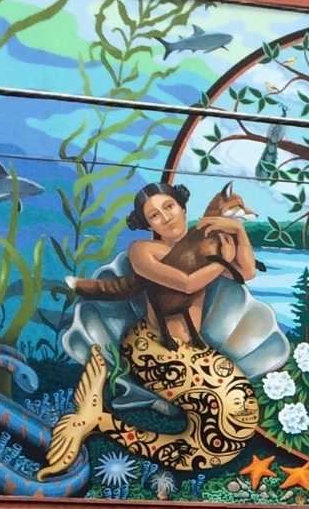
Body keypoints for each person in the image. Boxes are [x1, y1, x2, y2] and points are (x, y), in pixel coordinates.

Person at [39, 182, 262, 479]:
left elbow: (247, 272)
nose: (166, 218)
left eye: (169, 207)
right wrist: (220, 261)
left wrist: (237, 231)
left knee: (236, 419)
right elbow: (185, 282)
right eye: (154, 216)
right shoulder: (144, 250)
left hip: (194, 351)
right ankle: (121, 410)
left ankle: (108, 418)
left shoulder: (207, 242)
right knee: (231, 416)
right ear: (147, 224)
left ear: (182, 207)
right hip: (153, 349)